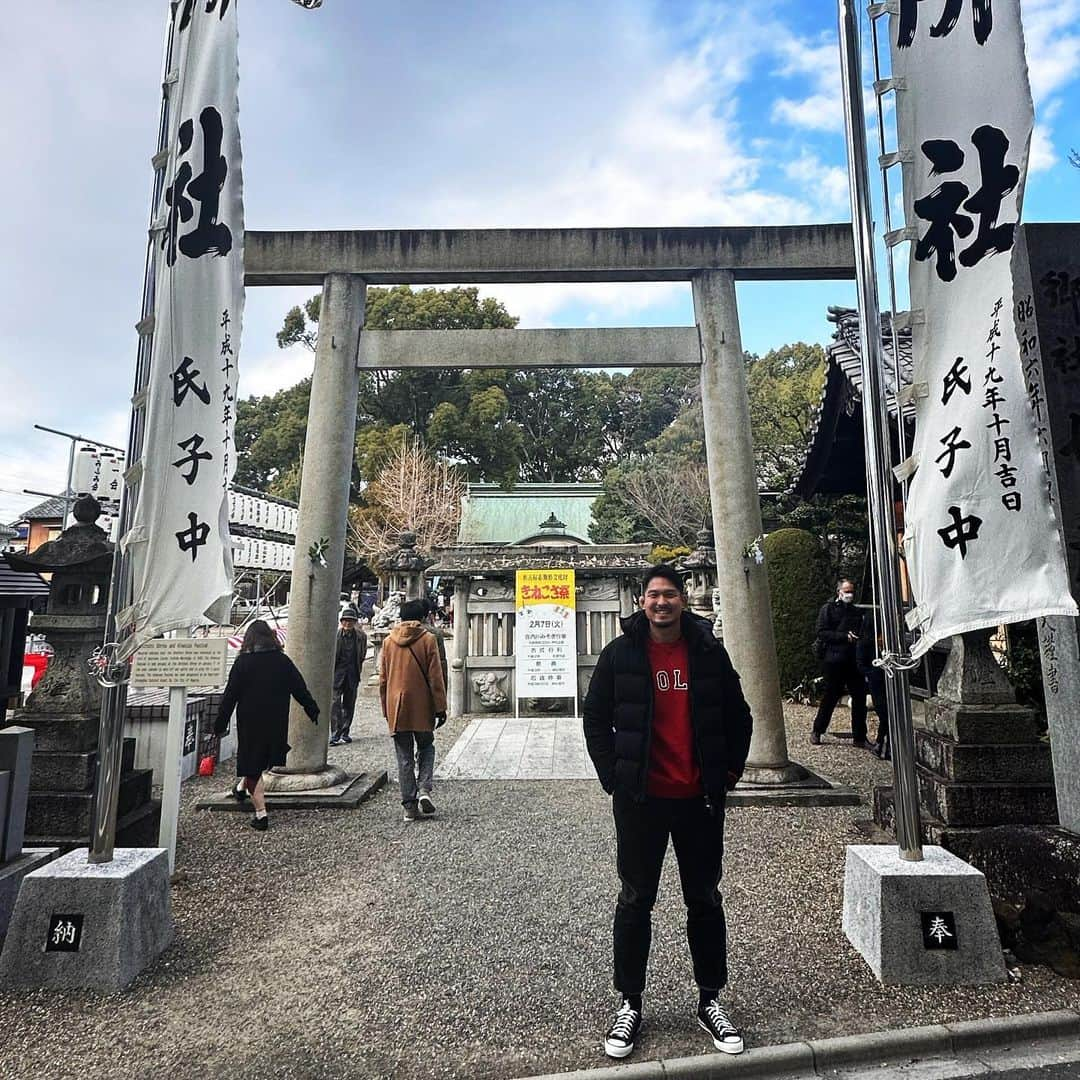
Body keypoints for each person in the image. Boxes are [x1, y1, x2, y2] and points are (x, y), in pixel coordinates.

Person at [583, 565, 753, 1061]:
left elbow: (738, 714)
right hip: (642, 799)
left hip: (698, 797)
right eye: (654, 595)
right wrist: (615, 776)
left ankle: (711, 1000)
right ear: (642, 602)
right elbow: (596, 717)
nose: (662, 603)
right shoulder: (621, 655)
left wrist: (730, 771)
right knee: (636, 899)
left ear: (683, 600)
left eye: (670, 595)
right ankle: (630, 1002)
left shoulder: (707, 651)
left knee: (704, 898)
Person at [215, 620, 319, 831]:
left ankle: (261, 815)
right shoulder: (282, 661)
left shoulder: (242, 663)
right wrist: (311, 708)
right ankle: (241, 788)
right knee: (261, 761)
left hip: (250, 722)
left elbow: (229, 697)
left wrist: (219, 724)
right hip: (276, 720)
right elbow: (299, 687)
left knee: (252, 764)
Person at [380, 598, 447, 822]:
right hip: (422, 703)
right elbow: (435, 677)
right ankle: (424, 789)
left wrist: (386, 709)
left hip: (396, 705)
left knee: (404, 755)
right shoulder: (427, 639)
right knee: (426, 746)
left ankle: (409, 806)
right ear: (422, 617)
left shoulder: (389, 641)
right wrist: (441, 707)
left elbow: (383, 678)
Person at [810, 579, 869, 748]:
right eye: (847, 591)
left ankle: (859, 736)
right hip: (834, 659)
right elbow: (821, 632)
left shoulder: (856, 612)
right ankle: (817, 730)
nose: (850, 594)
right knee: (830, 697)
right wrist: (843, 636)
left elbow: (861, 631)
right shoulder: (828, 609)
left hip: (852, 659)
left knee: (859, 698)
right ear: (839, 592)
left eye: (851, 591)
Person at [329, 606, 367, 746]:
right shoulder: (335, 636)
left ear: (355, 622)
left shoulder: (361, 636)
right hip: (337, 674)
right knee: (334, 704)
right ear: (341, 622)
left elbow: (362, 654)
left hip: (352, 673)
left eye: (351, 621)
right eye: (345, 621)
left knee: (349, 704)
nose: (348, 623)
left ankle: (345, 731)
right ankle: (335, 733)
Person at [856, 609, 889, 759]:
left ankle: (882, 744)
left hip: (887, 679)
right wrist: (874, 672)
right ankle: (880, 744)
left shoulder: (887, 642)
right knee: (884, 714)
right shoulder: (865, 643)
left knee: (888, 714)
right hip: (877, 681)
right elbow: (861, 665)